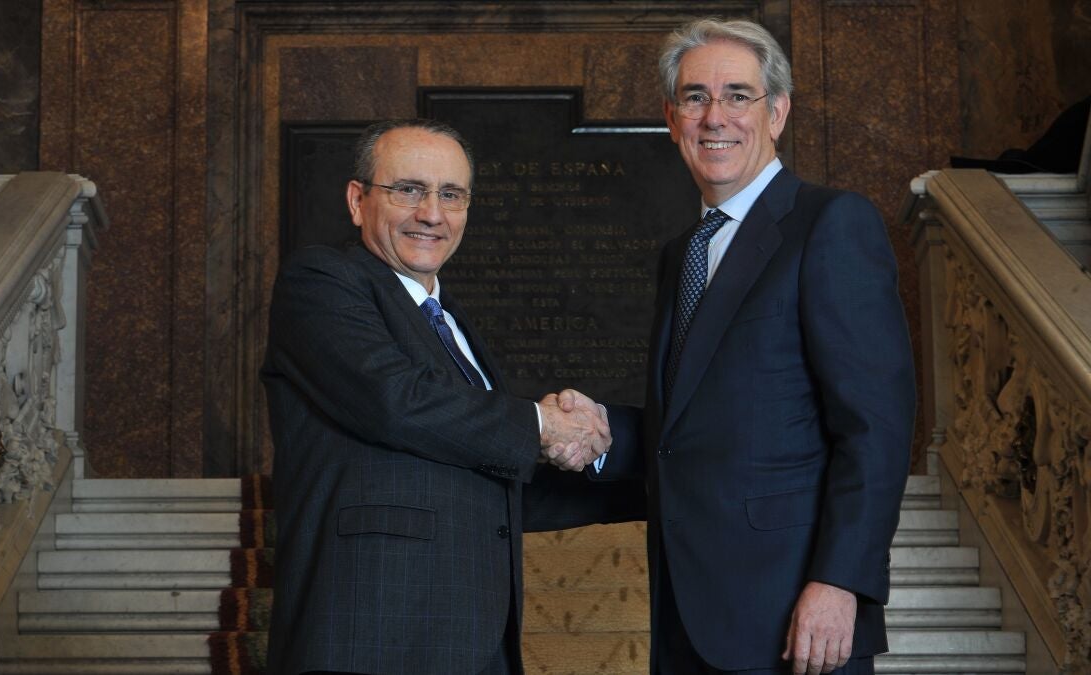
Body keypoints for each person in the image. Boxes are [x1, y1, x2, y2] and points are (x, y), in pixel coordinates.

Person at [566, 17, 916, 675]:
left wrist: (840, 582)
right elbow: (687, 429)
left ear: (776, 112)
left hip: (795, 619)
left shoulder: (830, 224)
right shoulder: (682, 254)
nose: (714, 116)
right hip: (687, 617)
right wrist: (598, 430)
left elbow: (875, 426)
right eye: (695, 98)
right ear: (672, 120)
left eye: (737, 96)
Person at [260, 118, 624, 675]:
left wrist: (647, 471)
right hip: (370, 635)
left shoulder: (452, 323)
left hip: (471, 637)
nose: (432, 213)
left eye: (451, 195)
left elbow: (487, 477)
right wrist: (542, 425)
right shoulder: (321, 282)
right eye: (409, 190)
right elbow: (395, 401)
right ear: (357, 201)